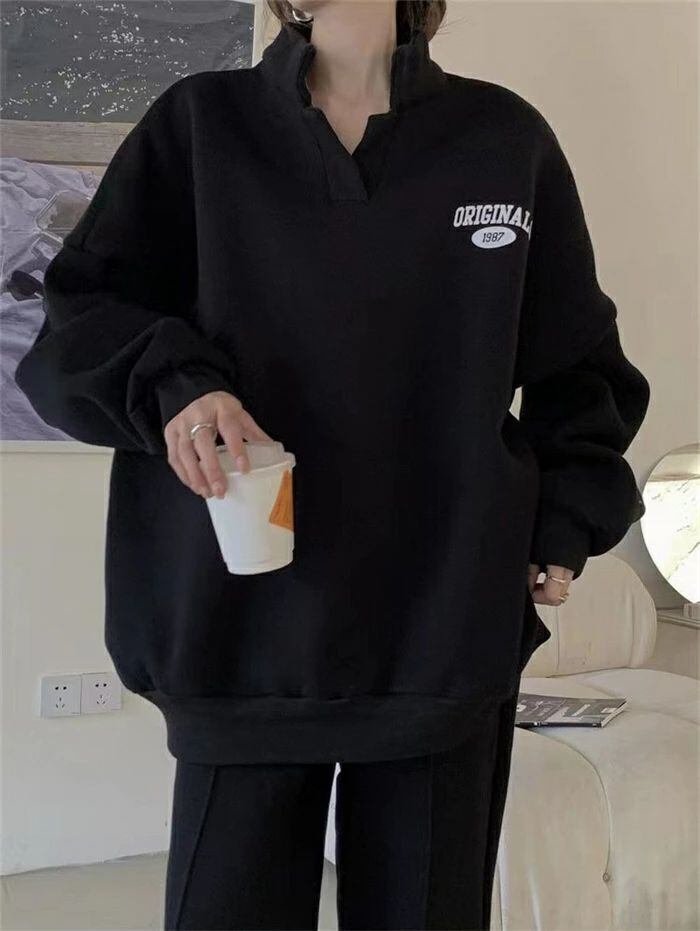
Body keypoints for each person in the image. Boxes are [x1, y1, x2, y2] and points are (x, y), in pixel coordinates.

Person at [15, 1, 650, 928]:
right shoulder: (202, 124)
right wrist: (179, 387)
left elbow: (582, 369)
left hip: (442, 628)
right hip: (240, 630)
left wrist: (563, 521)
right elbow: (80, 317)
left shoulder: (504, 140)